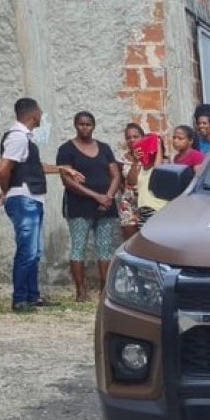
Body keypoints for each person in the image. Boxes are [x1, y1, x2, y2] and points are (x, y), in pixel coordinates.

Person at [0, 97, 84, 311]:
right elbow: (2, 169)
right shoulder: (17, 137)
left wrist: (63, 169)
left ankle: (33, 297)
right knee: (27, 251)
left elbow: (34, 166)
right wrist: (6, 191)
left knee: (34, 252)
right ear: (33, 114)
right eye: (40, 112)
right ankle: (20, 299)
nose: (42, 115)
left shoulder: (25, 138)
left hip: (31, 198)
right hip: (24, 199)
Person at [56, 111, 122, 302]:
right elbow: (67, 180)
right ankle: (81, 291)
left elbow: (115, 174)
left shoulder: (104, 148)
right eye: (81, 124)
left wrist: (108, 196)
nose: (85, 128)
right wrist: (96, 196)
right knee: (78, 247)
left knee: (105, 247)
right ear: (75, 125)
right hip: (79, 205)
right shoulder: (66, 149)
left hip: (106, 205)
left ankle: (104, 290)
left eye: (88, 124)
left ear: (94, 126)